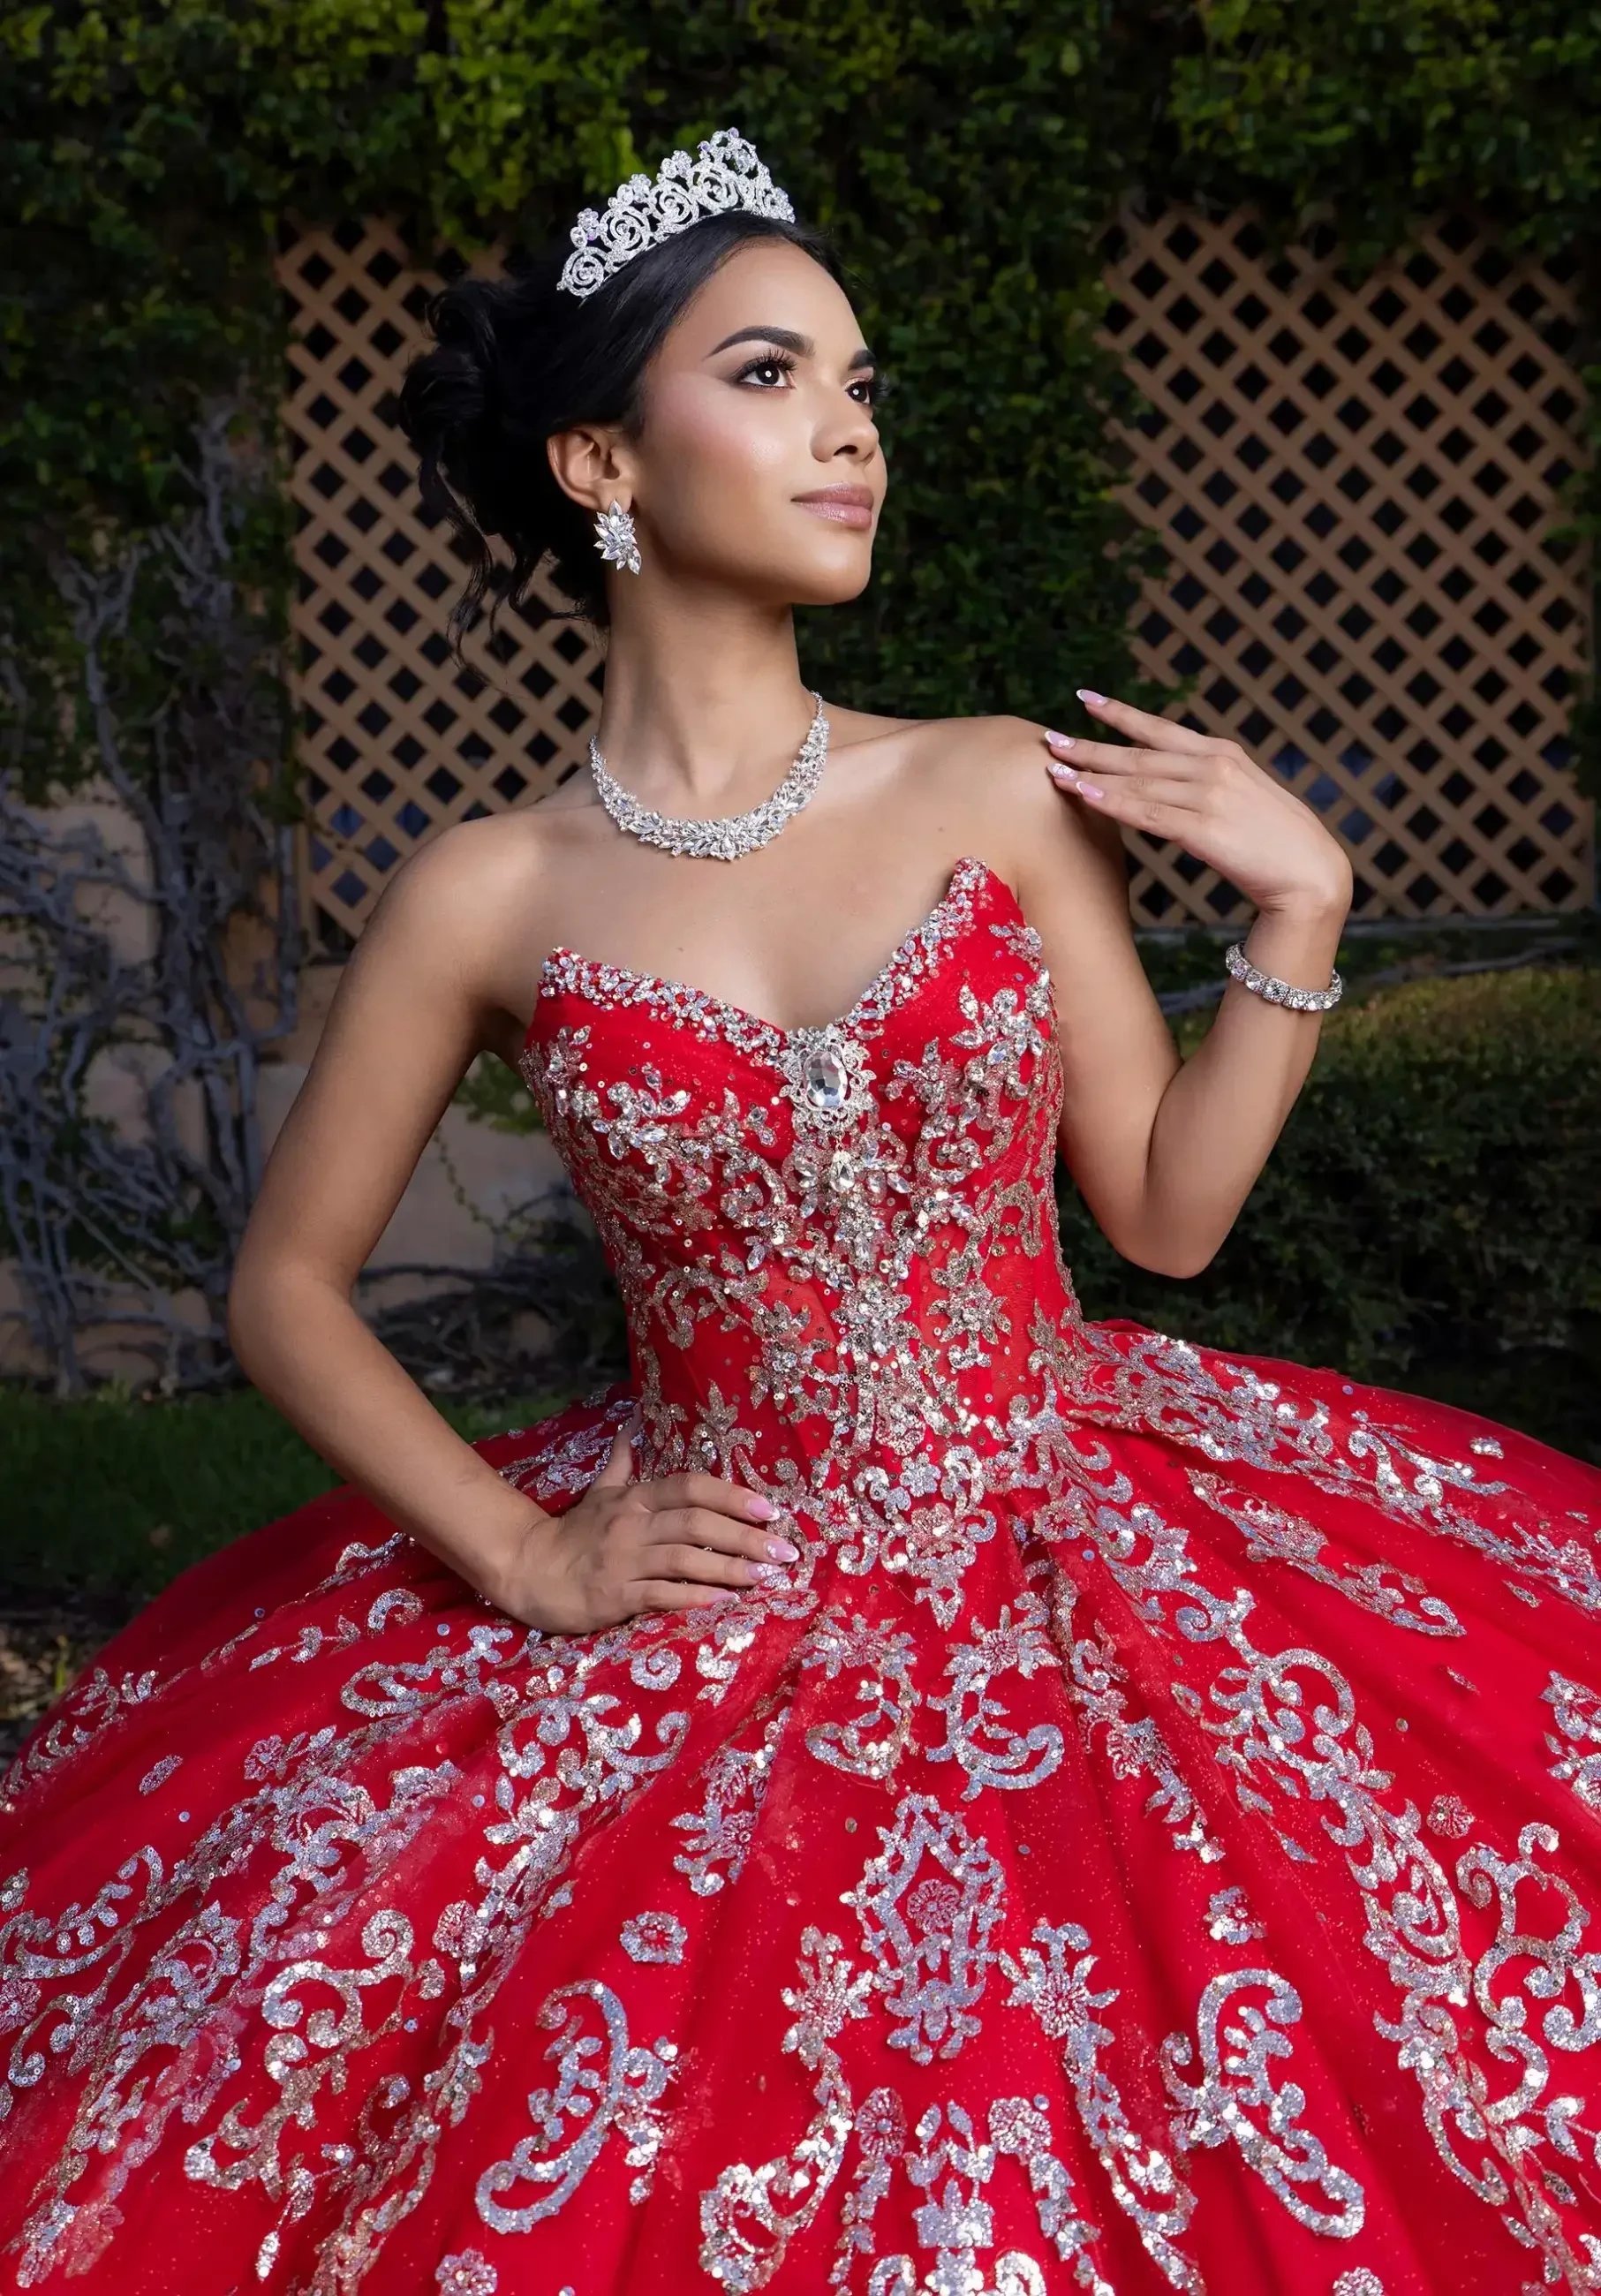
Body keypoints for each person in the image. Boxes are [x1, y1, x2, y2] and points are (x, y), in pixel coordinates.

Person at [2, 129, 1597, 2296]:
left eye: (859, 385)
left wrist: (1301, 907)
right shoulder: (491, 888)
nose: (848, 432)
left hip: (1065, 1536)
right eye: (771, 375)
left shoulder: (991, 781)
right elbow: (284, 1288)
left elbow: (1170, 1212)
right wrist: (524, 1551)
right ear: (598, 456)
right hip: (702, 1588)